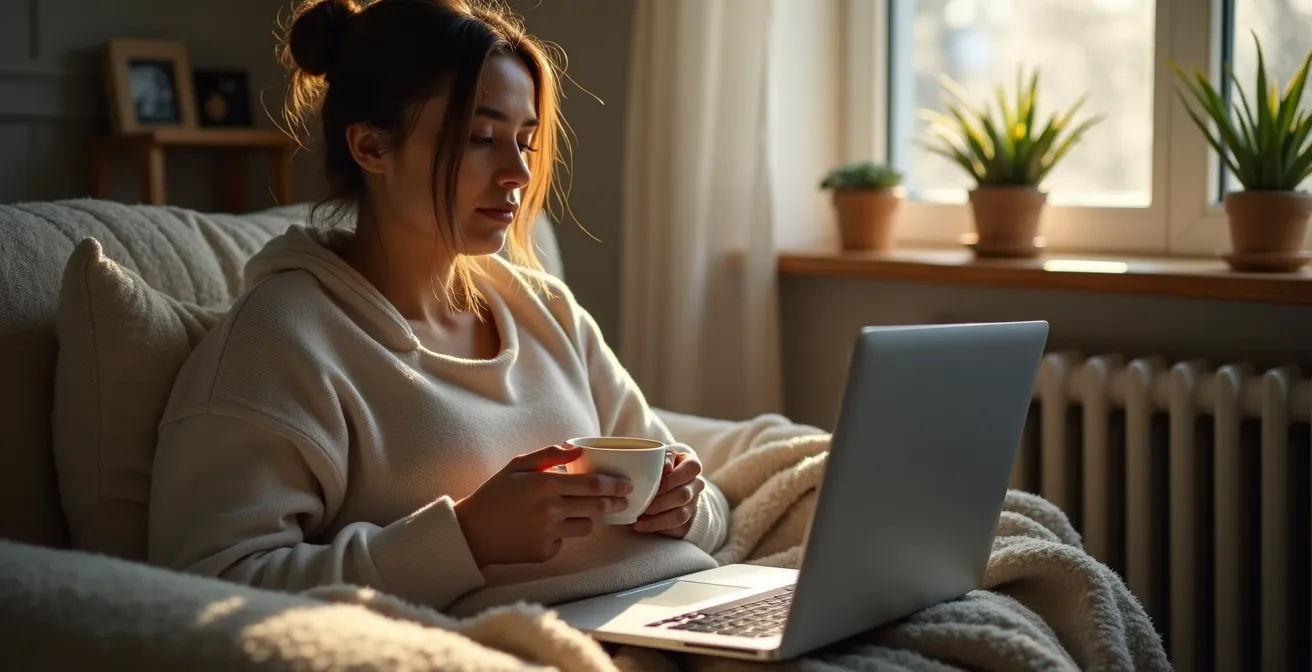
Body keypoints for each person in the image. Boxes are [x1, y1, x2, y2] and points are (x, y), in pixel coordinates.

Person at [148, 0, 729, 615]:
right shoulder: (285, 339)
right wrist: (467, 539)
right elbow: (210, 584)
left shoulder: (544, 309)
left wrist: (688, 506)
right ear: (372, 147)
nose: (516, 173)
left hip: (689, 612)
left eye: (525, 142)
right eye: (480, 138)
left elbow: (707, 502)